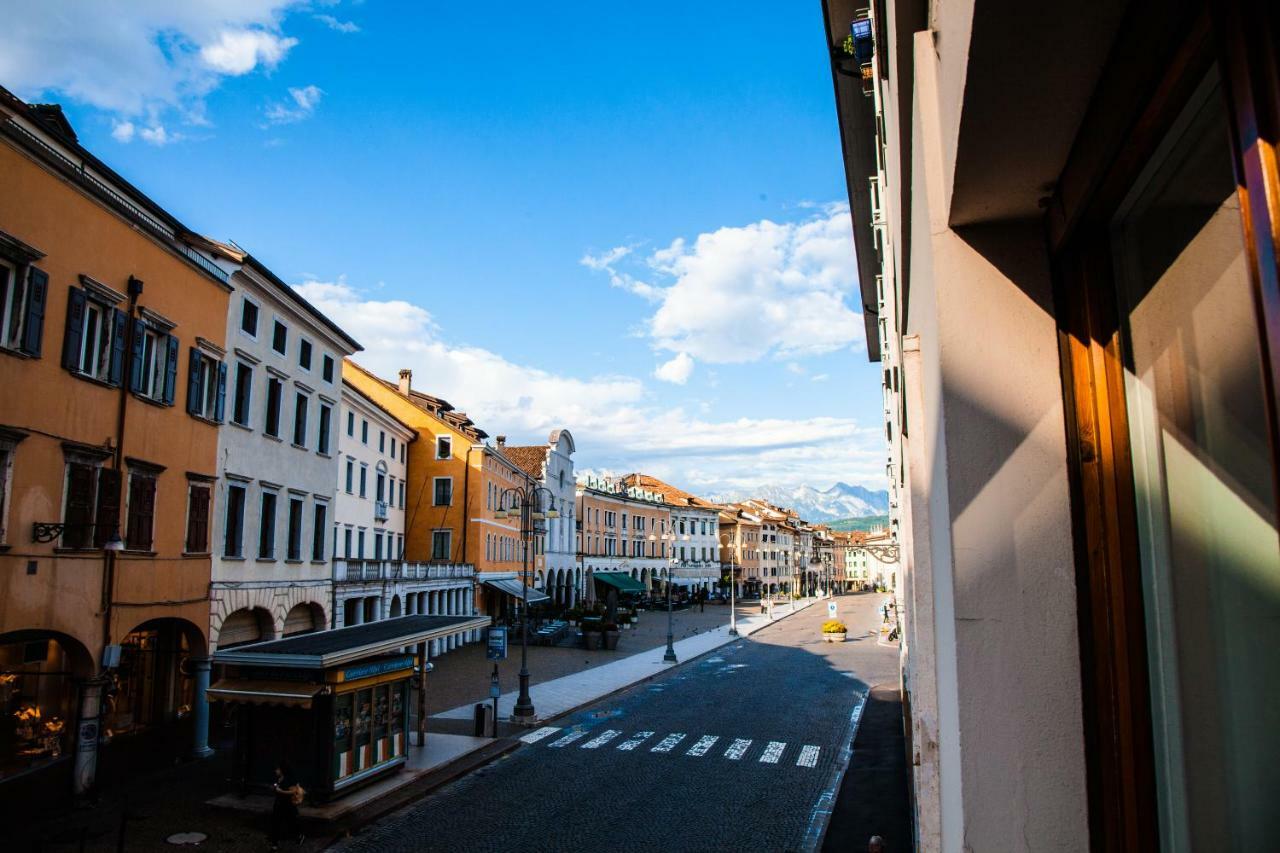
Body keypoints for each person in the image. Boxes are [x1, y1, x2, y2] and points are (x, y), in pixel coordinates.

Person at [269, 761, 304, 849]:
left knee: (291, 822)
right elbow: (275, 785)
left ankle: (299, 835)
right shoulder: (278, 778)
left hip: (288, 805)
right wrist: (273, 787)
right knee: (276, 823)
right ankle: (274, 843)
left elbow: (293, 791)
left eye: (277, 769)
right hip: (279, 804)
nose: (276, 771)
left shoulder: (290, 779)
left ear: (282, 770)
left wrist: (281, 791)